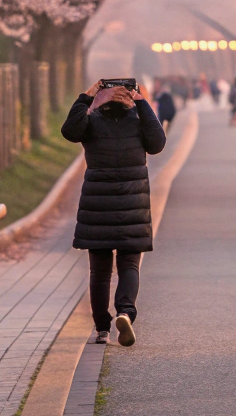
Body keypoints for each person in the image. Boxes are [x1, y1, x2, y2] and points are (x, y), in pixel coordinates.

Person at [63, 80, 166, 347]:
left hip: (97, 208)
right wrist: (142, 101)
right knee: (129, 265)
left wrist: (87, 97)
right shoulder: (138, 121)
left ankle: (101, 328)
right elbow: (157, 144)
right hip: (133, 206)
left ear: (103, 96)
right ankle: (124, 312)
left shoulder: (92, 122)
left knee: (100, 272)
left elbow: (69, 131)